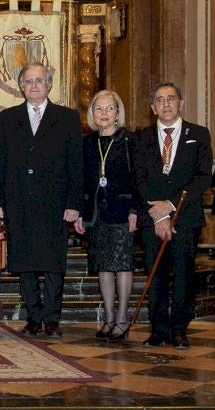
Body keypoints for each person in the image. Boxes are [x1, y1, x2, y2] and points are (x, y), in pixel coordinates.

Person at [0, 63, 82, 338]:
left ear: (49, 85)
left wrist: (74, 203)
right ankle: (33, 316)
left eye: (39, 80)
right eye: (28, 81)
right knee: (25, 261)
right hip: (19, 201)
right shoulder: (7, 118)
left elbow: (76, 165)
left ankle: (52, 318)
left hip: (55, 203)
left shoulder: (67, 117)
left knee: (54, 263)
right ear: (21, 86)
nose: (34, 86)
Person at [132, 81, 212, 350]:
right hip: (152, 218)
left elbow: (203, 177)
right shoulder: (141, 137)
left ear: (181, 103)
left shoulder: (198, 134)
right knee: (155, 275)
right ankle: (158, 329)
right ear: (153, 107)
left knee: (182, 275)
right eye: (159, 99)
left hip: (185, 218)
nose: (165, 104)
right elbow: (138, 179)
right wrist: (158, 215)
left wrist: (171, 205)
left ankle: (179, 329)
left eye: (171, 98)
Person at [74, 89, 136, 341]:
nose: (104, 113)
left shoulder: (129, 141)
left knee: (122, 265)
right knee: (103, 266)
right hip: (96, 213)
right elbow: (81, 181)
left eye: (110, 108)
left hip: (122, 212)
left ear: (118, 113)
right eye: (98, 108)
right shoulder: (87, 143)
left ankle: (122, 318)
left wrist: (134, 210)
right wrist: (81, 212)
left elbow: (137, 180)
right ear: (92, 113)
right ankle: (109, 317)